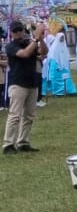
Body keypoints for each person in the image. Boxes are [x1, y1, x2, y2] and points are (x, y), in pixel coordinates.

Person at [3, 21, 44, 153]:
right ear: (11, 32)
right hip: (17, 84)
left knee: (29, 115)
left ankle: (23, 142)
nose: (18, 32)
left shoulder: (28, 42)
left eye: (19, 29)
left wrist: (41, 40)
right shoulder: (11, 46)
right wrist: (36, 39)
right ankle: (8, 144)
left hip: (31, 83)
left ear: (23, 30)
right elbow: (24, 54)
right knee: (15, 115)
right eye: (15, 31)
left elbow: (44, 53)